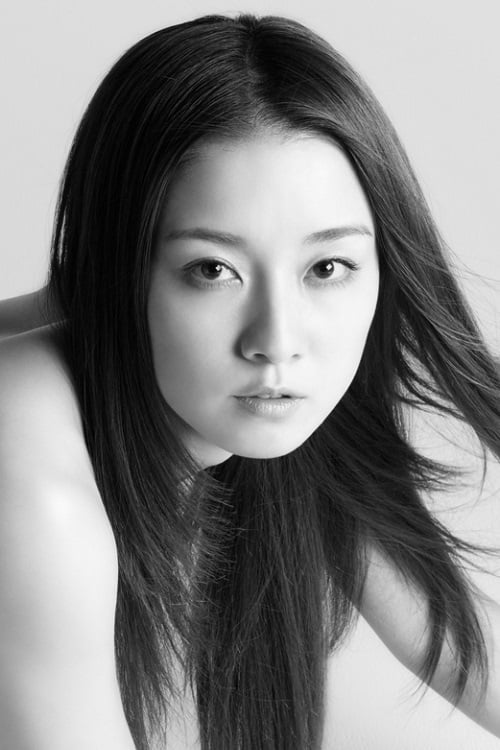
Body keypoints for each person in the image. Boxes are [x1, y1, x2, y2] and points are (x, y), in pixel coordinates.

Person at [0, 12, 499, 750]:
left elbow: (468, 655)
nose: (277, 342)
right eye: (213, 269)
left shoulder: (268, 417)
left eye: (326, 267)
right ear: (119, 269)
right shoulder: (24, 439)